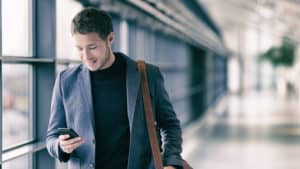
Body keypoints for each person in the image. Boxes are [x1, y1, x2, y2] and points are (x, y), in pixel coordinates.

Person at [46, 7, 183, 169]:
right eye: (79, 49)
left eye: (92, 47)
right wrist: (60, 146)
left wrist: (171, 163)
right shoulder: (66, 81)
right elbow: (52, 137)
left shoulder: (147, 75)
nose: (86, 56)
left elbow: (169, 125)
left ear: (110, 39)